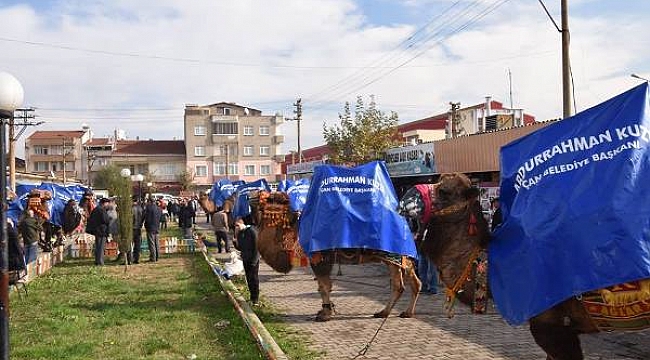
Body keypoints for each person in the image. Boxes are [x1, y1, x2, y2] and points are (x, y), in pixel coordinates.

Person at [234, 217, 260, 306]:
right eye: (235, 226)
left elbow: (257, 247)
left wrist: (254, 260)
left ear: (242, 223)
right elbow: (240, 248)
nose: (236, 227)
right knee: (248, 278)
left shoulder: (252, 231)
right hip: (245, 258)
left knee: (254, 278)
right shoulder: (240, 233)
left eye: (238, 225)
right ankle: (252, 298)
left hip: (253, 259)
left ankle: (256, 299)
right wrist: (235, 240)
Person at [86, 197, 111, 266]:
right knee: (101, 247)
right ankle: (100, 261)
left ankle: (97, 261)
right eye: (107, 203)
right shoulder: (101, 210)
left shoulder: (95, 209)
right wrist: (109, 219)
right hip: (102, 231)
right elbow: (105, 220)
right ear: (104, 203)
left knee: (98, 246)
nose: (108, 205)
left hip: (97, 230)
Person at [144, 198, 162, 262]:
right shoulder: (159, 208)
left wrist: (146, 226)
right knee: (156, 243)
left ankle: (153, 257)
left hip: (150, 228)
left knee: (151, 243)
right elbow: (160, 218)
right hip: (157, 227)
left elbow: (147, 219)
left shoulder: (149, 208)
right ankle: (157, 256)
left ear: (149, 201)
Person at [132, 197, 145, 264]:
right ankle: (137, 258)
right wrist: (141, 224)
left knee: (131, 244)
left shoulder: (131, 209)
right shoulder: (140, 208)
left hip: (133, 228)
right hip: (139, 228)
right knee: (138, 244)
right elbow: (143, 217)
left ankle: (131, 258)